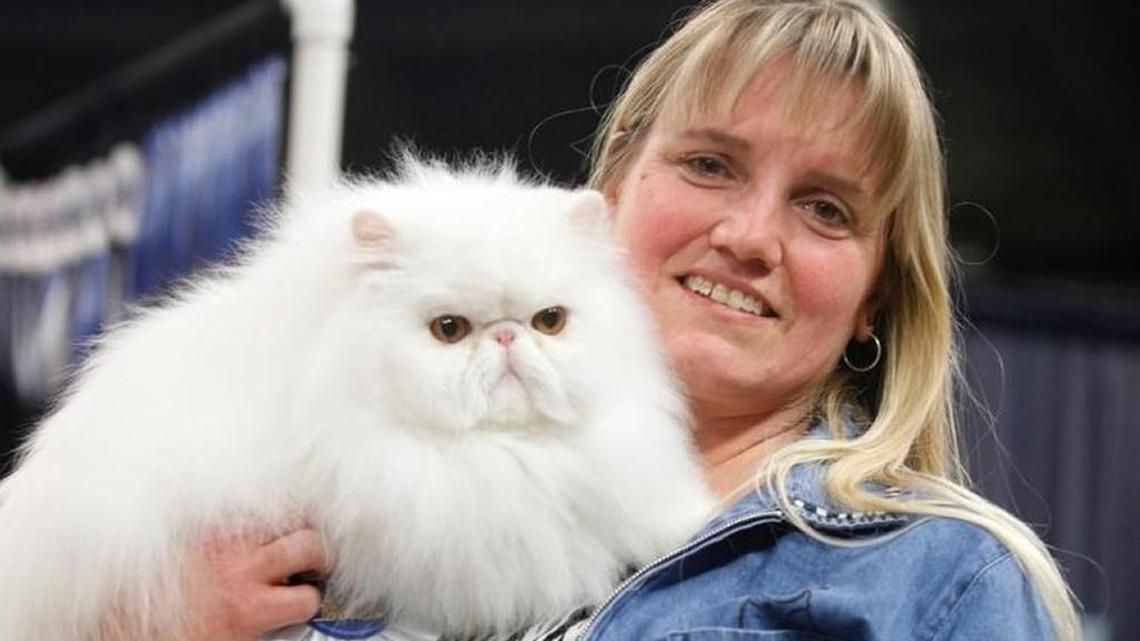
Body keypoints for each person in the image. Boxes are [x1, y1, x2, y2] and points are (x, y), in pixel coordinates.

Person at [163, 0, 1082, 639]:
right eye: (711, 165)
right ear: (609, 196)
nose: (751, 235)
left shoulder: (946, 583)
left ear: (875, 298)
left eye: (825, 209)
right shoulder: (315, 483)